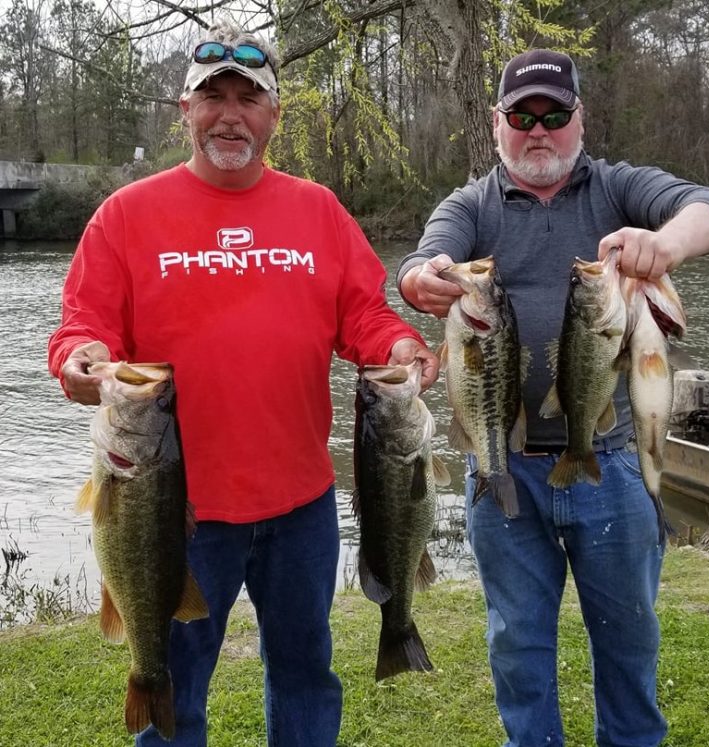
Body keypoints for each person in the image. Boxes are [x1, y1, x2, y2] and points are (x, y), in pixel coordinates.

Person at [48, 18, 439, 747]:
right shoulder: (125, 217)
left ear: (274, 115)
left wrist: (404, 345)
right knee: (172, 682)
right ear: (185, 112)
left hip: (301, 507)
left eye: (249, 97)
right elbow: (83, 326)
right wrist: (81, 360)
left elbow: (365, 314)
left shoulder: (317, 209)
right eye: (213, 96)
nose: (231, 113)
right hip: (175, 513)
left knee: (304, 674)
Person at [398, 49, 709, 747]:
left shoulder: (617, 188)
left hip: (610, 462)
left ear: (580, 119)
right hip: (502, 463)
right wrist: (420, 280)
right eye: (523, 116)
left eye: (555, 114)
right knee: (518, 646)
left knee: (629, 641)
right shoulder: (473, 204)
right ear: (498, 124)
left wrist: (663, 244)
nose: (539, 129)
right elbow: (425, 257)